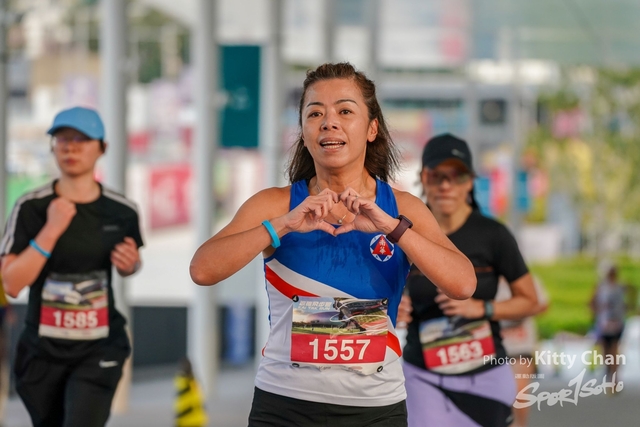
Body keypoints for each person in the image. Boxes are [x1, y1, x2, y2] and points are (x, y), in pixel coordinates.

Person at [190, 63, 476, 427]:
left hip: (376, 410)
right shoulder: (275, 205)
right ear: (303, 132)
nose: (329, 122)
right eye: (315, 114)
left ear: (372, 129)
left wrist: (393, 228)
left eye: (345, 111)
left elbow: (463, 284)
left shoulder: (402, 209)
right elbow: (202, 270)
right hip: (283, 407)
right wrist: (283, 225)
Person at [0, 106, 143, 427]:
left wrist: (131, 265)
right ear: (53, 147)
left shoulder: (122, 211)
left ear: (102, 148)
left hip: (99, 348)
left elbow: (131, 263)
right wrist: (51, 230)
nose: (71, 148)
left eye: (81, 139)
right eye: (62, 139)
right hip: (42, 352)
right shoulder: (31, 207)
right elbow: (11, 283)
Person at [398, 133, 541, 427]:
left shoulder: (494, 235)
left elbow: (530, 301)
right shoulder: (404, 233)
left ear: (470, 181)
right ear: (424, 178)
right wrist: (395, 304)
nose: (446, 185)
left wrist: (481, 308)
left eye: (457, 175)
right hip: (423, 377)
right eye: (437, 175)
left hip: (486, 376)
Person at [495, 276, 548, 427]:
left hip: (520, 346)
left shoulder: (525, 278)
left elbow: (543, 304)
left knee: (520, 392)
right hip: (493, 348)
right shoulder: (482, 278)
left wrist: (517, 311)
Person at [590, 263, 628, 383]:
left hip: (616, 322)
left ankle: (614, 376)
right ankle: (609, 372)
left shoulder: (620, 287)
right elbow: (591, 302)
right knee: (606, 350)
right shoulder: (601, 287)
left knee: (614, 349)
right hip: (604, 323)